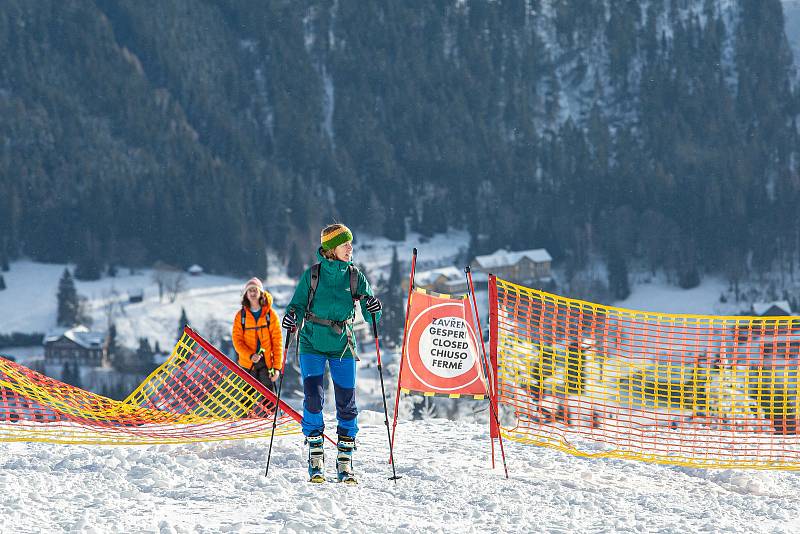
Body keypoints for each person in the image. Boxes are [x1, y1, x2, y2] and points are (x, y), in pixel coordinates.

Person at [282, 223, 382, 483]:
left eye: (351, 244)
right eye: (345, 244)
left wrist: (374, 306)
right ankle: (316, 455)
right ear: (331, 249)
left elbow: (375, 315)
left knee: (346, 403)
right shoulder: (313, 275)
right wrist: (291, 318)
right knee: (313, 398)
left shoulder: (354, 276)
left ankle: (345, 460)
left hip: (343, 345)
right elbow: (297, 306)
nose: (351, 248)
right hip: (312, 343)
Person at [232, 277, 283, 393]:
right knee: (245, 402)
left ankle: (268, 412)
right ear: (246, 294)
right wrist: (250, 355)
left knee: (268, 400)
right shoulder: (241, 316)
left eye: (255, 290)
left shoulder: (271, 315)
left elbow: (277, 342)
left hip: (267, 364)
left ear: (261, 293)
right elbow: (237, 341)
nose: (253, 293)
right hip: (247, 364)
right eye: (250, 290)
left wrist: (276, 368)